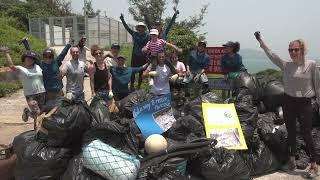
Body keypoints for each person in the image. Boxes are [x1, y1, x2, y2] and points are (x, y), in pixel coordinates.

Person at [255, 31, 319, 177]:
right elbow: (272, 54)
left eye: (296, 49)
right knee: (290, 132)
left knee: (306, 133)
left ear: (302, 50)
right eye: (290, 50)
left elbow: (318, 87)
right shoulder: (286, 65)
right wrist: (261, 41)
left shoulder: (311, 65)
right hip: (288, 101)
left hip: (305, 103)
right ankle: (291, 160)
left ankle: (314, 165)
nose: (293, 52)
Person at [1, 48, 45, 125]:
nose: (30, 59)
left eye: (32, 58)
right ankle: (27, 112)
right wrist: (6, 53)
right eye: (28, 57)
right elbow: (11, 66)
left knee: (41, 114)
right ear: (24, 58)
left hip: (42, 93)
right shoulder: (20, 69)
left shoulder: (37, 66)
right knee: (38, 114)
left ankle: (37, 132)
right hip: (30, 95)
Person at [120, 13, 149, 90]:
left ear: (144, 28)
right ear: (137, 28)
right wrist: (122, 20)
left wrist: (146, 18)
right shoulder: (134, 34)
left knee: (141, 71)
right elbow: (127, 28)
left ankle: (139, 86)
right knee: (132, 71)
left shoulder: (147, 35)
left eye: (142, 27)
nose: (140, 28)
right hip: (135, 56)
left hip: (143, 56)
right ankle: (132, 85)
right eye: (139, 27)